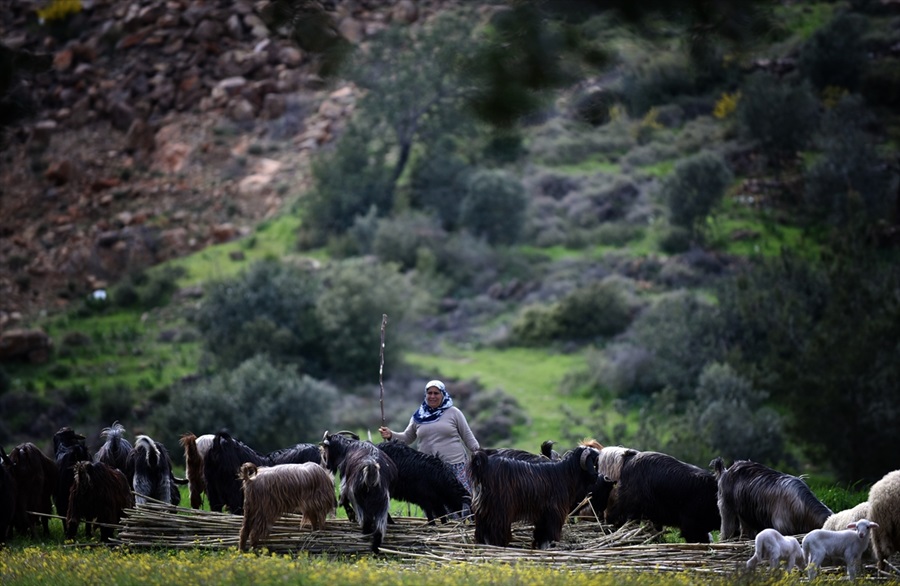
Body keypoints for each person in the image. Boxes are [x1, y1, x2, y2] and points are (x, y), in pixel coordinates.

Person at [379, 379, 480, 500]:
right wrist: (391, 434)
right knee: (435, 502)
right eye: (429, 393)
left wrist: (480, 455)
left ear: (443, 394)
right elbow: (407, 438)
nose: (432, 396)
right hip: (428, 470)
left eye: (436, 393)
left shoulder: (454, 413)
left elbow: (468, 437)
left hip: (455, 466)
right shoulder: (419, 415)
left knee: (461, 501)